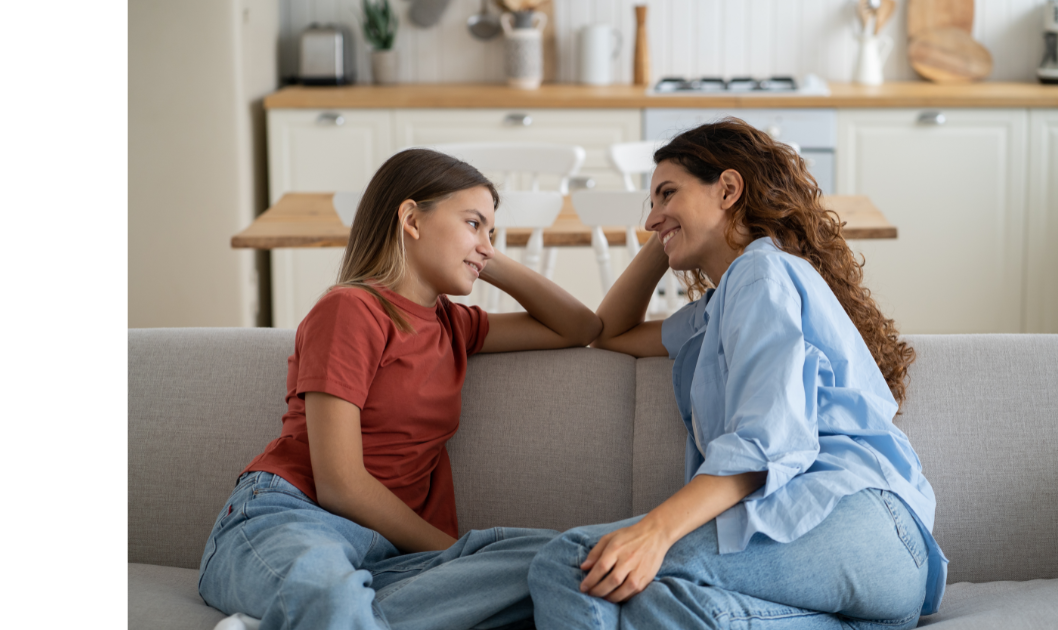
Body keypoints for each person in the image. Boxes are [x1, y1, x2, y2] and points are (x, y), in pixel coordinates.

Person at [527, 118, 948, 629]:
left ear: (728, 188)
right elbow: (609, 331)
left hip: (849, 518)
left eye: (667, 193)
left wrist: (656, 531)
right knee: (657, 605)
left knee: (574, 562)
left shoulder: (760, 273)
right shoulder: (718, 308)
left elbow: (766, 441)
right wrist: (670, 229)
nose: (651, 217)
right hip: (883, 573)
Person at [197, 148, 603, 630]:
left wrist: (483, 255)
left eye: (491, 230)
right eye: (473, 223)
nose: (486, 243)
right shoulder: (351, 310)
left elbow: (579, 327)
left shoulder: (455, 325)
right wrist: (450, 553)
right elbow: (340, 486)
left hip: (387, 556)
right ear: (411, 218)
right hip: (292, 519)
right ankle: (318, 612)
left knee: (564, 562)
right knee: (329, 591)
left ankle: (286, 621)